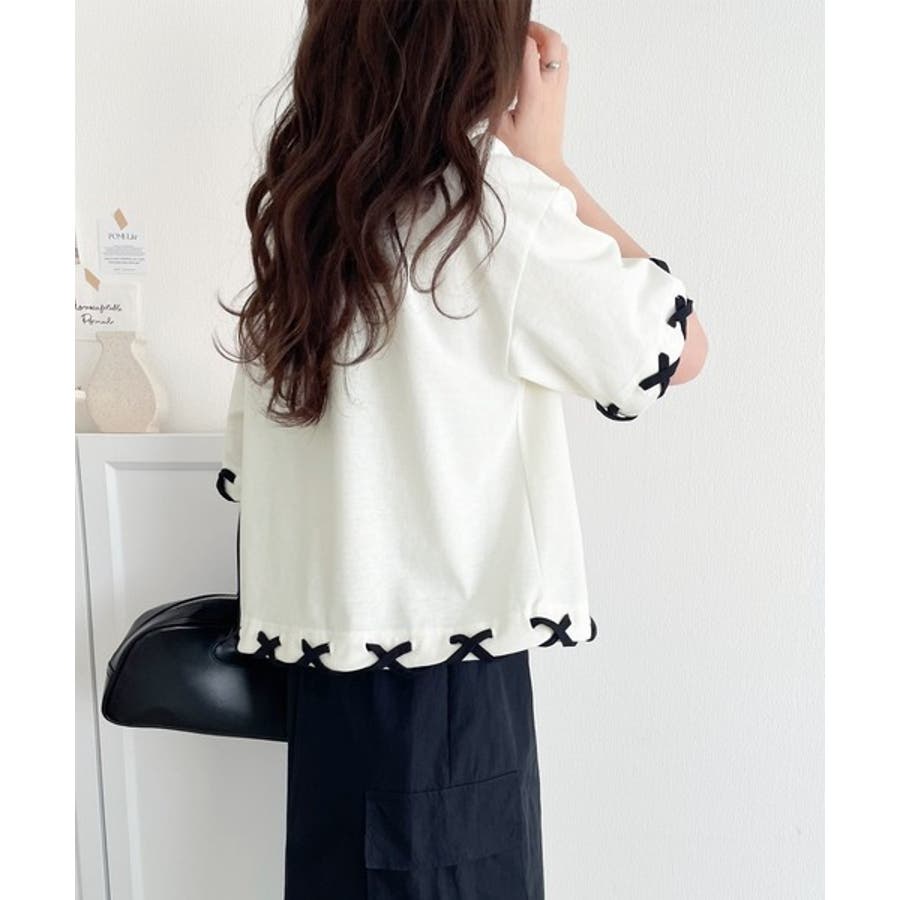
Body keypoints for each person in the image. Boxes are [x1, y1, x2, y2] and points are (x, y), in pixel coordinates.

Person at [214, 2, 708, 897]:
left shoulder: (304, 217)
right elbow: (674, 346)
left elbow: (256, 461)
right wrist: (548, 163)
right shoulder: (488, 212)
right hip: (444, 693)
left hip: (329, 693)